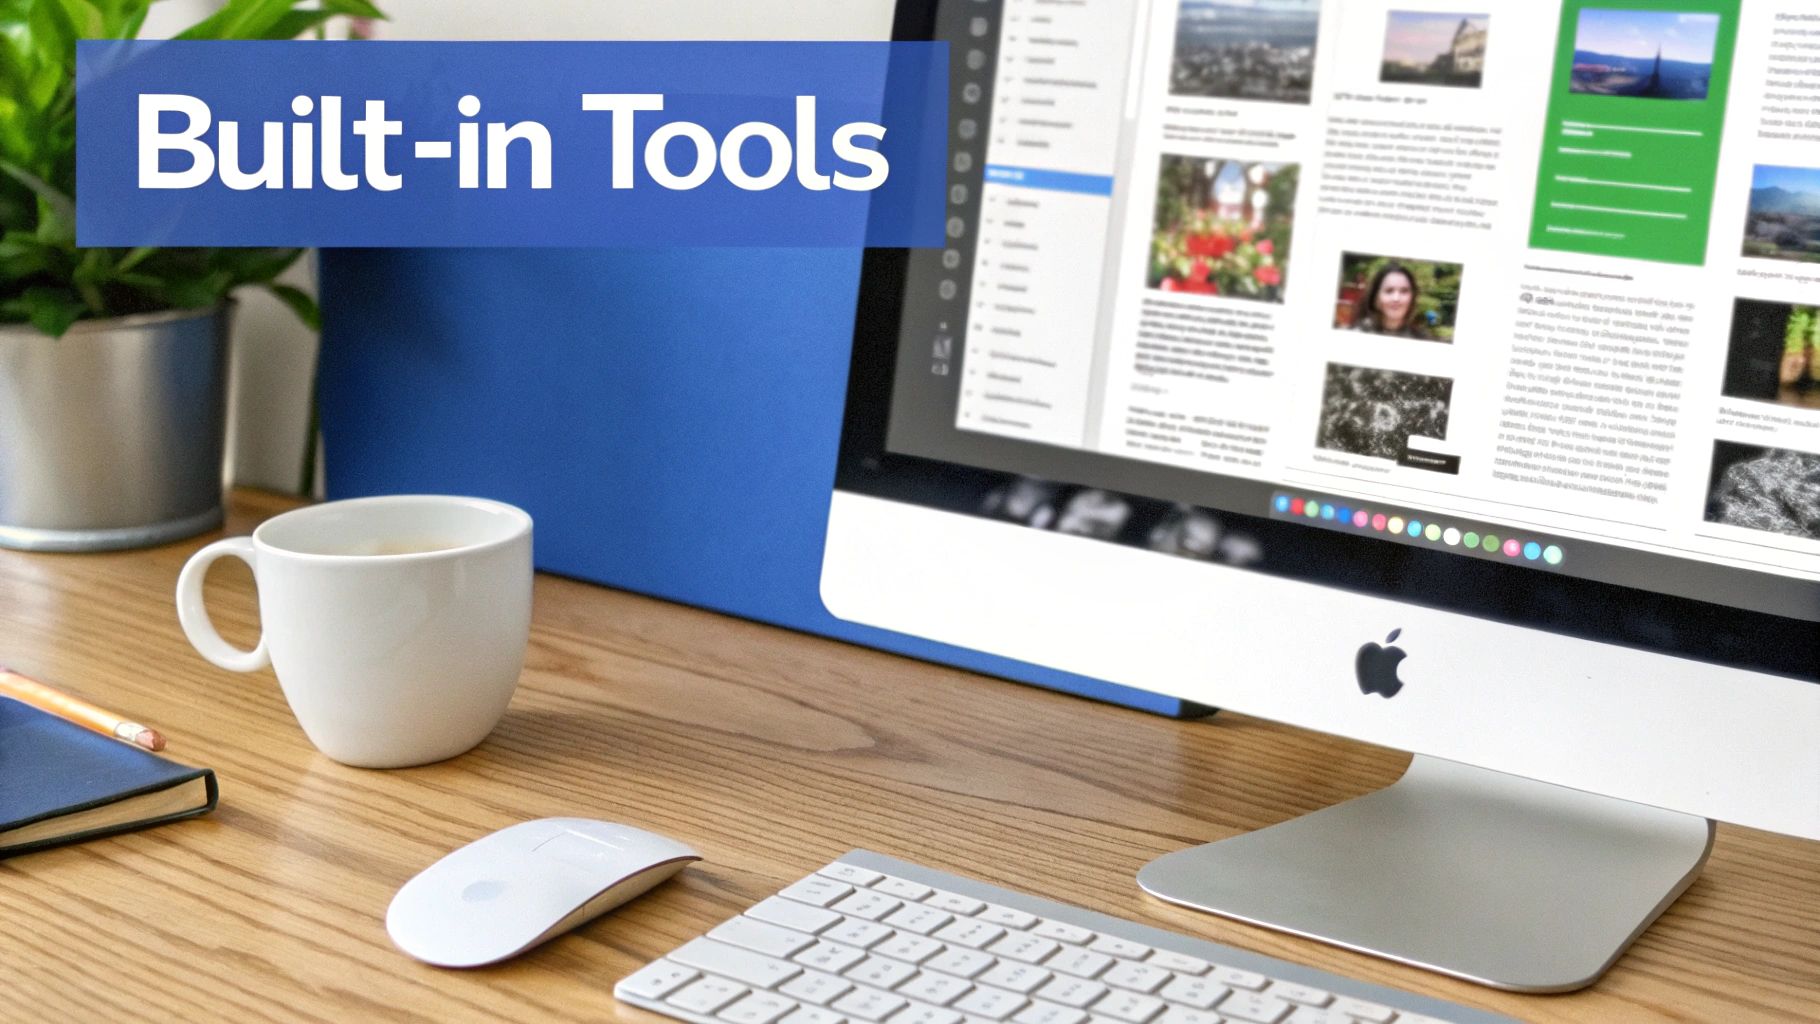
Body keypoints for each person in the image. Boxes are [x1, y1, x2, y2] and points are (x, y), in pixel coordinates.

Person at [1350, 262, 1431, 339]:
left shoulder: (1421, 338)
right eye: (1389, 291)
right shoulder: (1358, 333)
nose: (1396, 298)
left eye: (1404, 291)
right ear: (1376, 297)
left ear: (1412, 297)